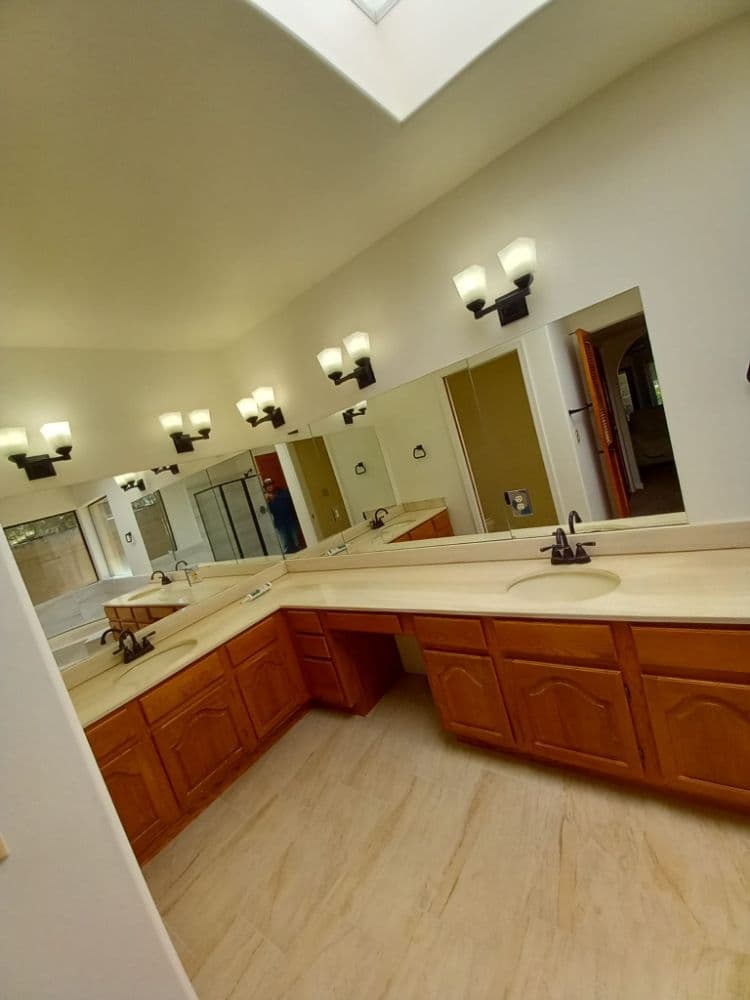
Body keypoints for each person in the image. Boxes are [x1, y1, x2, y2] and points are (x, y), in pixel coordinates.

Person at [263, 477, 301, 554]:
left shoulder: (283, 492)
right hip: (280, 523)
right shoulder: (266, 498)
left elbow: (287, 498)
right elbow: (265, 511)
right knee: (285, 544)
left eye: (270, 484)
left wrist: (273, 497)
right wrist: (265, 502)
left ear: (273, 485)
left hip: (290, 520)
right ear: (265, 488)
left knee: (295, 541)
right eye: (267, 486)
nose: (269, 487)